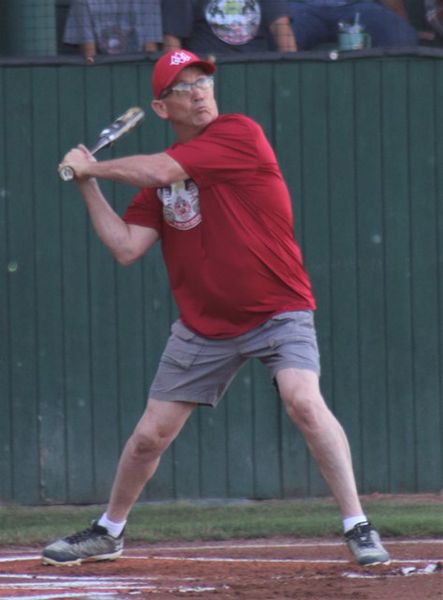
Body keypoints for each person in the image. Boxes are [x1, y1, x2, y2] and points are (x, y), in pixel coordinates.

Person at [42, 49, 390, 567]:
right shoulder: (158, 184)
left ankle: (358, 525)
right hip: (205, 326)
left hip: (278, 307)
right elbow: (125, 247)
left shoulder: (237, 133)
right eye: (183, 87)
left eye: (203, 79)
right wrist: (88, 184)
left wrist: (91, 164)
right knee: (149, 437)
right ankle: (109, 531)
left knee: (303, 400)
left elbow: (159, 169)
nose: (199, 91)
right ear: (162, 108)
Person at [161, 0, 297, 55]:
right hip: (205, 71)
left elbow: (281, 28)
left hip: (257, 68)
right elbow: (172, 40)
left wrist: (290, 70)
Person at [287, 0, 418, 50]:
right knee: (282, 35)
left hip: (358, 6)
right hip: (301, 7)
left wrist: (403, 24)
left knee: (401, 36)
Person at [63, 0, 162, 63]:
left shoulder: (147, 2)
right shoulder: (82, 2)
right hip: (101, 73)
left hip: (136, 70)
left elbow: (150, 51)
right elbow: (90, 58)